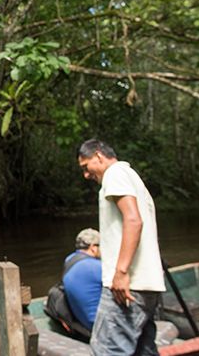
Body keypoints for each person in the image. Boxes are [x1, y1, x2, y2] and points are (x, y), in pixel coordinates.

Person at [77, 139, 165, 356]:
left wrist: (121, 272)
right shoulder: (131, 177)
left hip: (128, 285)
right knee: (143, 351)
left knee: (106, 350)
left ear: (98, 156)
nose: (86, 175)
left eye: (85, 167)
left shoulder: (115, 174)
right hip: (147, 286)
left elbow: (134, 221)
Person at [62, 228, 102, 333]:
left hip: (81, 321)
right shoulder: (97, 267)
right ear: (93, 248)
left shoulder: (69, 259)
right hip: (97, 326)